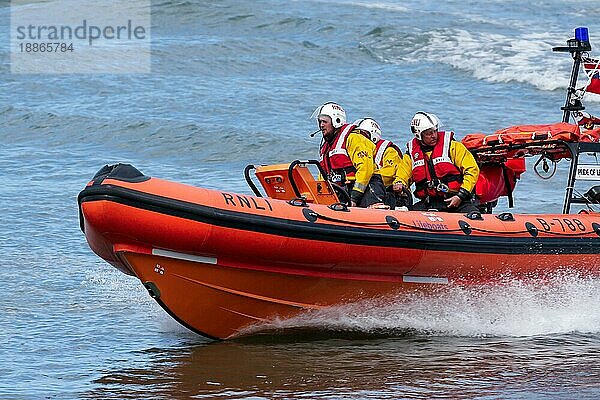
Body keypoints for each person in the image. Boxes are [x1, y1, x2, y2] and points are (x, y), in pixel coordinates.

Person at [394, 112, 480, 213]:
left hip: (457, 200)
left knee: (474, 216)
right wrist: (399, 184)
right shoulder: (412, 154)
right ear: (419, 135)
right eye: (429, 133)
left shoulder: (453, 146)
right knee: (405, 214)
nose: (434, 135)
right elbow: (402, 174)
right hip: (429, 203)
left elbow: (472, 170)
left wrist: (460, 196)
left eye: (435, 131)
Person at [311, 102, 387, 208]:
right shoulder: (326, 148)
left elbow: (365, 169)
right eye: (320, 122)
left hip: (367, 188)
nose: (321, 125)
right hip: (344, 190)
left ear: (336, 121)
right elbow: (324, 175)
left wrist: (354, 197)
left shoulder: (354, 138)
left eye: (324, 121)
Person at [354, 118, 411, 209]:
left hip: (391, 195)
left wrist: (365, 177)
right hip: (368, 192)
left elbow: (390, 174)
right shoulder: (360, 150)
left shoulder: (388, 151)